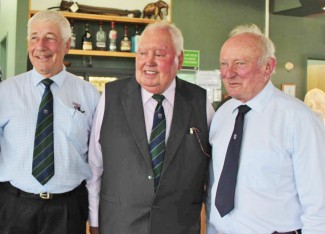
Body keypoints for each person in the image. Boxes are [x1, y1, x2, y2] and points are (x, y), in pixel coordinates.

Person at [87, 21, 215, 234]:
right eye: (142, 53)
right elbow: (94, 166)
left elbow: (212, 173)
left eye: (159, 54)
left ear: (179, 59)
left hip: (178, 226)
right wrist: (94, 220)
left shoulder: (200, 102)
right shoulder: (111, 97)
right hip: (119, 224)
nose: (148, 62)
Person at [206, 24, 325, 233]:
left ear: (268, 67)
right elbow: (216, 185)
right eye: (224, 64)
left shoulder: (299, 120)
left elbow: (319, 204)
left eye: (240, 63)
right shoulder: (222, 115)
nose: (228, 73)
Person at [0, 10, 100, 234]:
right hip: (14, 206)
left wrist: (95, 216)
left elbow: (97, 160)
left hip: (67, 209)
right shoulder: (4, 92)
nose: (41, 45)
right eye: (34, 37)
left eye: (50, 38)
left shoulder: (90, 95)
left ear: (67, 45)